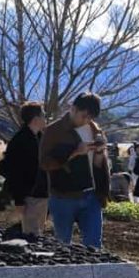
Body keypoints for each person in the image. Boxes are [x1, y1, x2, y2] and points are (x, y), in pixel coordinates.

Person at [38, 92, 109, 248]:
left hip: (92, 195)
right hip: (63, 197)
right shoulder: (53, 131)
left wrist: (99, 152)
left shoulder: (95, 130)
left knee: (94, 246)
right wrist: (74, 152)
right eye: (84, 116)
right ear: (73, 109)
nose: (86, 120)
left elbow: (98, 164)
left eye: (90, 117)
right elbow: (44, 163)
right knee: (63, 245)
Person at [2, 101, 48, 237]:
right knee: (31, 235)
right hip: (29, 196)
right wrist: (19, 200)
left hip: (43, 194)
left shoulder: (40, 137)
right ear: (36, 119)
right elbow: (13, 172)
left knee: (39, 235)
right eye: (44, 115)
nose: (46, 118)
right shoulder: (19, 141)